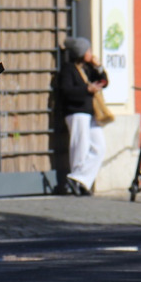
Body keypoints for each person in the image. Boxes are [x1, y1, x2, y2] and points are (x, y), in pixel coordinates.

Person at [58, 36, 108, 196]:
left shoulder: (88, 69)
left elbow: (104, 82)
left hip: (91, 114)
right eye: (88, 51)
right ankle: (78, 183)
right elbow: (66, 91)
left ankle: (80, 179)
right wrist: (86, 90)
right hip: (76, 112)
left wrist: (98, 67)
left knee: (99, 147)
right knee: (80, 147)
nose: (91, 53)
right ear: (80, 53)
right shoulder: (69, 69)